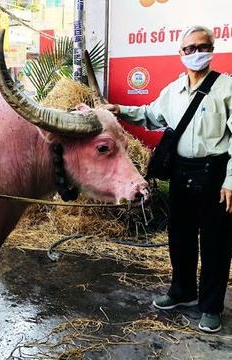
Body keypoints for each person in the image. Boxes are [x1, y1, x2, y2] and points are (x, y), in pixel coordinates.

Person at [102, 25, 232, 333]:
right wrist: (119, 109)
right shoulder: (173, 90)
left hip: (215, 175)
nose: (196, 53)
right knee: (180, 236)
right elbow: (150, 115)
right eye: (190, 49)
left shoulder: (226, 88)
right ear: (181, 53)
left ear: (212, 49)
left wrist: (231, 180)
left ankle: (211, 306)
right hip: (180, 172)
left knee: (216, 244)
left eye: (203, 47)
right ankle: (183, 291)